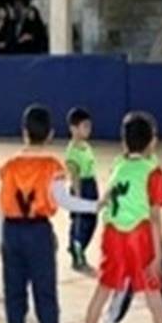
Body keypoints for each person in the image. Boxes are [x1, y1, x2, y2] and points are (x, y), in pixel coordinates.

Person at [71, 112, 162, 323]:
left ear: (124, 142)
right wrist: (157, 255)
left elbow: (106, 197)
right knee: (155, 299)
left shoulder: (118, 164)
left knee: (103, 290)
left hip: (112, 236)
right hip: (138, 238)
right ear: (152, 142)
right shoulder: (153, 172)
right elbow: (155, 217)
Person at [0, 105, 102, 323]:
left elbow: (2, 204)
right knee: (45, 292)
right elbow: (64, 200)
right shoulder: (51, 166)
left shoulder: (9, 166)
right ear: (50, 135)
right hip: (38, 231)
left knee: (14, 291)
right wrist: (93, 205)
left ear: (24, 132)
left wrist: (1, 237)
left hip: (11, 230)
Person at [65, 107, 98, 271]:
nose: (88, 129)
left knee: (91, 221)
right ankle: (77, 254)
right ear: (73, 128)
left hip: (91, 185)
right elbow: (74, 176)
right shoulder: (72, 152)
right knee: (81, 223)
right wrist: (77, 198)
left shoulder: (86, 146)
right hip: (81, 188)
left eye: (89, 126)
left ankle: (76, 246)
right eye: (84, 126)